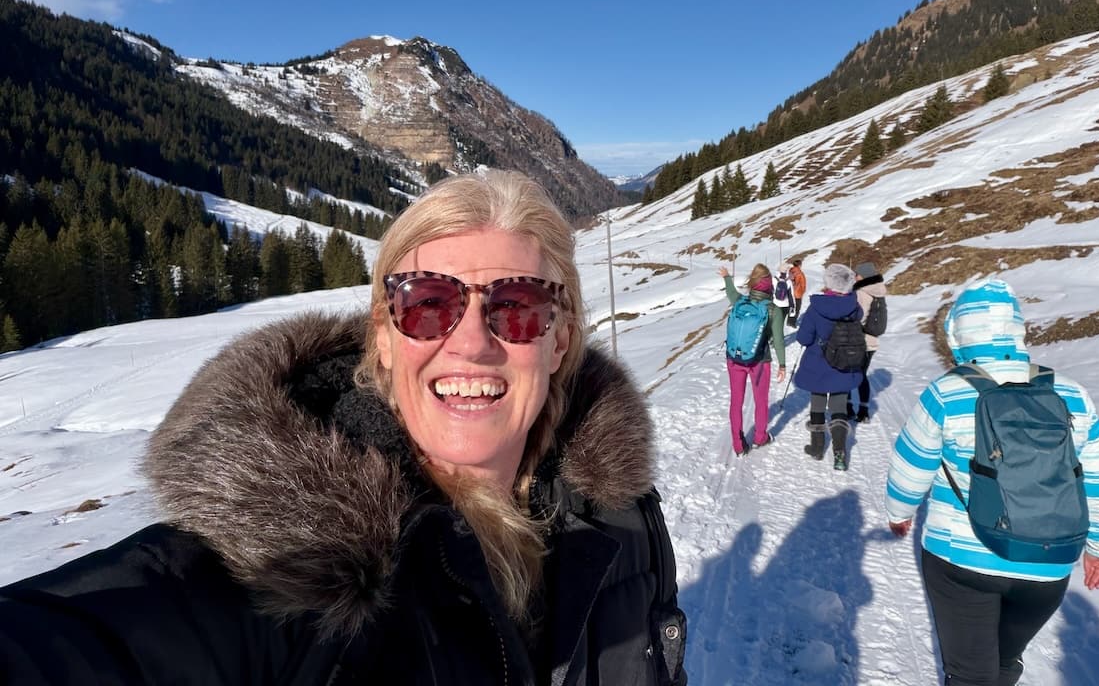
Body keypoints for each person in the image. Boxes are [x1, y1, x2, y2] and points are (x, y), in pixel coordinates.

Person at [0, 170, 688, 685]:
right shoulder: (279, 567)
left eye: (519, 307)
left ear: (560, 341)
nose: (472, 343)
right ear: (384, 338)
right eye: (428, 304)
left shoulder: (620, 518)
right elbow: (98, 638)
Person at [885, 279, 1099, 686]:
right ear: (1018, 330)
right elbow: (1097, 479)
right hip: (1047, 564)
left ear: (957, 334)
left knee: (969, 673)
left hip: (961, 560)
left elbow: (911, 465)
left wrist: (899, 513)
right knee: (1003, 660)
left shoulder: (948, 391)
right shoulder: (1071, 394)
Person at [793, 263, 863, 471]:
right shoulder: (854, 308)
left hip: (818, 364)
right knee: (839, 406)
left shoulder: (817, 308)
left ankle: (816, 447)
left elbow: (804, 338)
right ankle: (840, 454)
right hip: (845, 363)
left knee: (818, 402)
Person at [719, 263, 786, 456]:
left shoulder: (740, 301)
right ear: (769, 286)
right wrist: (782, 364)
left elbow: (730, 293)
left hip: (734, 359)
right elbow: (779, 341)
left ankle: (738, 445)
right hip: (759, 362)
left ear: (753, 283)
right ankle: (759, 437)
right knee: (760, 400)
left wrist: (726, 277)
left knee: (736, 401)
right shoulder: (773, 310)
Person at [850, 261, 886, 423]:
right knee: (862, 375)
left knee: (850, 374)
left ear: (863, 276)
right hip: (872, 341)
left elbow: (860, 316)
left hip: (860, 340)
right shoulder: (878, 290)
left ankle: (848, 408)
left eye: (856, 274)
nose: (855, 277)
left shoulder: (863, 292)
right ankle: (863, 410)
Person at [787, 256, 807, 327]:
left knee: (791, 307)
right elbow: (803, 284)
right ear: (799, 265)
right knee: (797, 308)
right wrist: (802, 292)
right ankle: (792, 323)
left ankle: (789, 321)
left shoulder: (790, 271)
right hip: (797, 293)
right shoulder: (800, 273)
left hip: (790, 293)